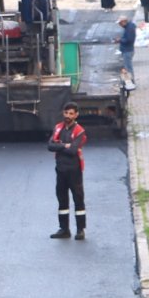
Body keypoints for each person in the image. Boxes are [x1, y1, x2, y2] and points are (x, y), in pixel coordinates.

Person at [47, 102, 87, 240]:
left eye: (71, 113)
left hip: (74, 170)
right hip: (60, 170)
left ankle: (80, 230)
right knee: (62, 199)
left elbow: (73, 150)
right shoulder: (58, 128)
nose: (68, 116)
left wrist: (59, 145)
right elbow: (50, 146)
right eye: (66, 113)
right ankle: (64, 229)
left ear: (76, 115)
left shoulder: (79, 131)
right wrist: (65, 145)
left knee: (78, 199)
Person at [116, 15, 137, 84]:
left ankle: (131, 82)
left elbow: (129, 40)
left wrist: (120, 40)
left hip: (127, 50)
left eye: (120, 23)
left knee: (128, 68)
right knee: (127, 67)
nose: (119, 25)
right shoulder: (128, 27)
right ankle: (129, 82)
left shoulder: (129, 28)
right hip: (127, 50)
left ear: (124, 22)